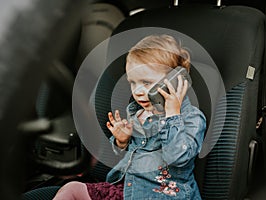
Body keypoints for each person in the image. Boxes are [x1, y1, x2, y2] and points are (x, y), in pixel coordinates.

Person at [53, 34, 206, 200]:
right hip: (127, 188)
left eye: (146, 82)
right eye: (132, 82)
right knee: (71, 189)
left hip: (162, 195)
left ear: (174, 80)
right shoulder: (138, 113)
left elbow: (177, 158)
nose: (137, 91)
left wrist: (172, 116)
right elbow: (131, 154)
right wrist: (122, 141)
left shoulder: (192, 119)